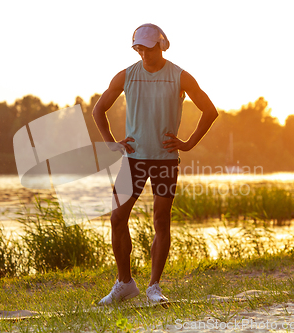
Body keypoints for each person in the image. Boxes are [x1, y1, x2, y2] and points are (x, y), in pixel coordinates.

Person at [93, 23, 218, 305]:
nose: (143, 54)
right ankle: (124, 283)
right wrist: (111, 141)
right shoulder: (126, 76)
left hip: (164, 160)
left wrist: (188, 143)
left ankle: (154, 287)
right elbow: (98, 109)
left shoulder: (180, 76)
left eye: (148, 49)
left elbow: (210, 111)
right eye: (138, 49)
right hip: (133, 159)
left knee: (161, 221)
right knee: (117, 218)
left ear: (160, 46)